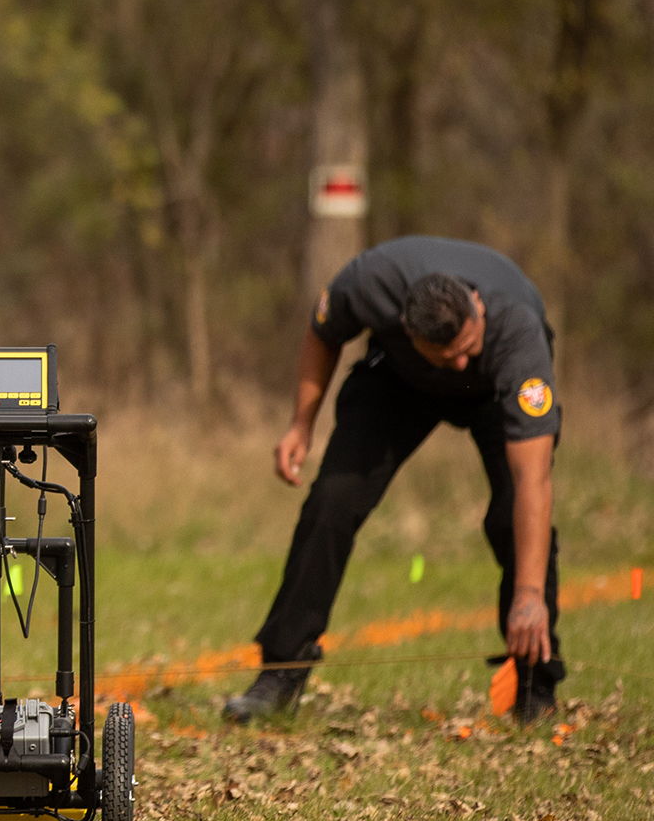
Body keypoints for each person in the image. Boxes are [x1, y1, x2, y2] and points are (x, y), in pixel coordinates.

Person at [225, 236, 566, 725]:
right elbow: (323, 332)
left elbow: (534, 478)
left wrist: (529, 595)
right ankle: (280, 672)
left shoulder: (516, 334)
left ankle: (536, 685)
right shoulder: (370, 284)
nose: (461, 365)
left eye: (468, 348)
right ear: (406, 329)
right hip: (401, 384)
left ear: (475, 307)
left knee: (511, 518)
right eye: (449, 357)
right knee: (333, 501)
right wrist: (302, 423)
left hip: (496, 393)